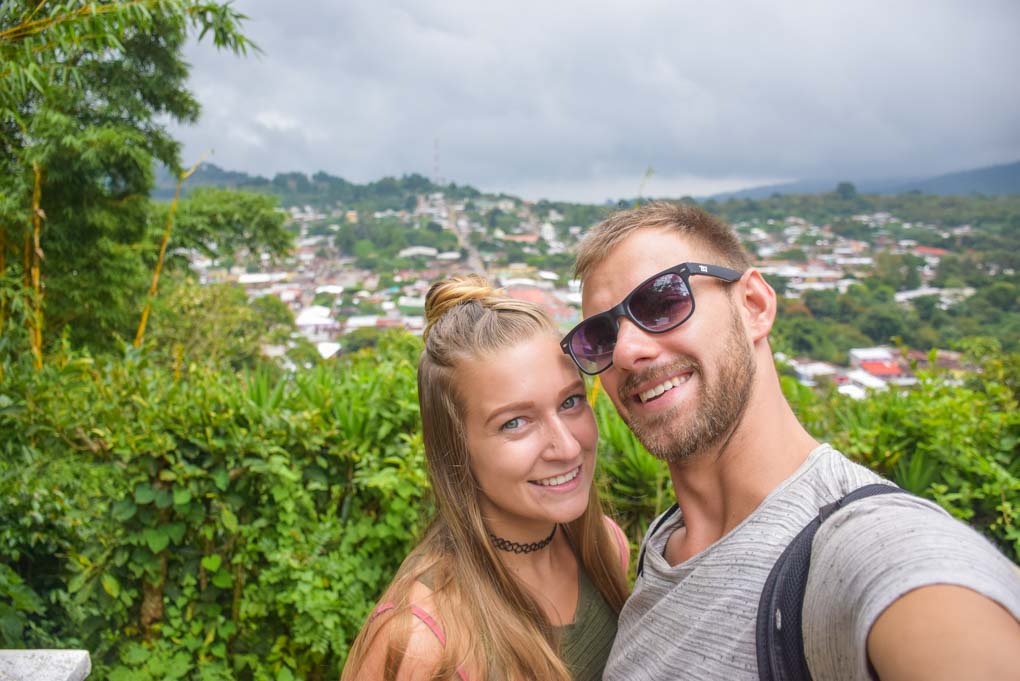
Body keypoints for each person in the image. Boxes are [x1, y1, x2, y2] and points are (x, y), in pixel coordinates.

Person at [561, 202, 1020, 680]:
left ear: (754, 306)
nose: (629, 351)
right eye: (601, 336)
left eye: (661, 302)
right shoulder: (665, 541)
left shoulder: (849, 543)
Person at [341, 275, 630, 681]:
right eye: (515, 422)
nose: (566, 447)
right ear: (455, 449)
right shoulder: (422, 642)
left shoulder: (605, 546)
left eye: (570, 401)